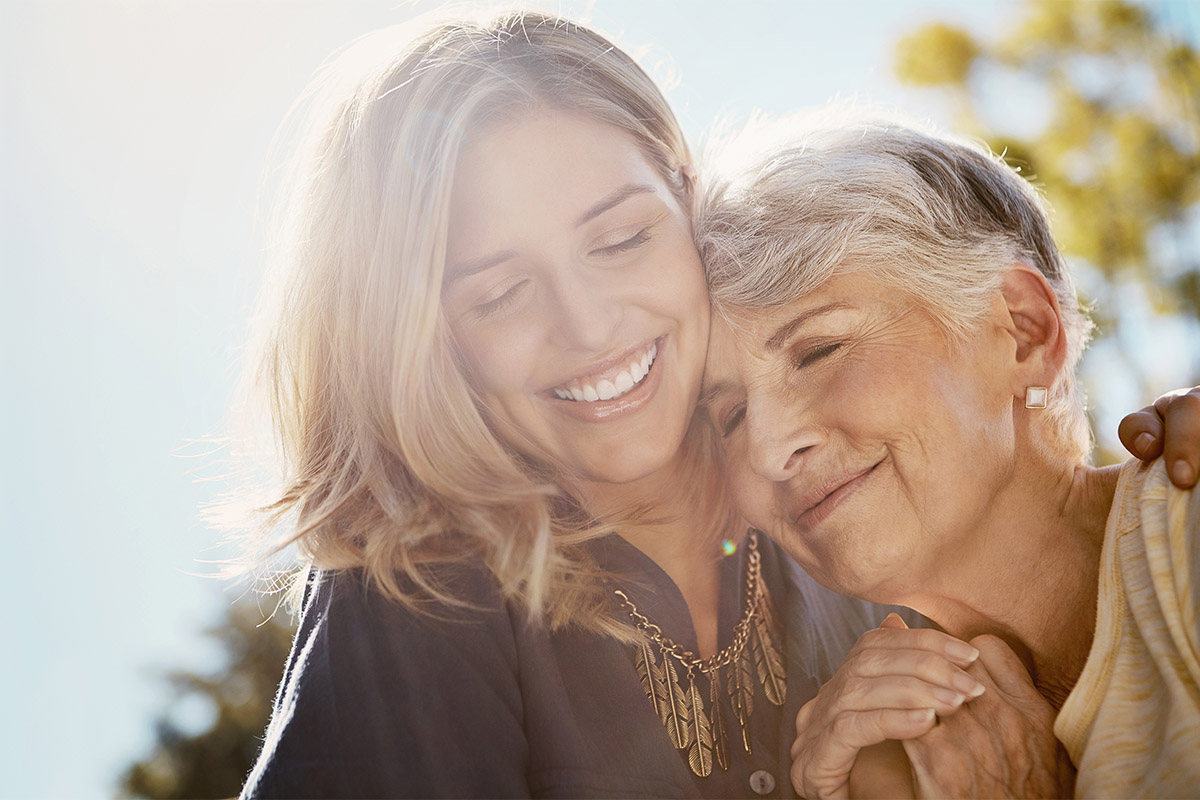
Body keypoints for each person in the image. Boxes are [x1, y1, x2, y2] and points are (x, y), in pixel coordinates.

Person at [695, 109, 1200, 798]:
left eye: (820, 351)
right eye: (728, 416)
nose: (771, 447)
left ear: (1021, 331)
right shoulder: (879, 757)